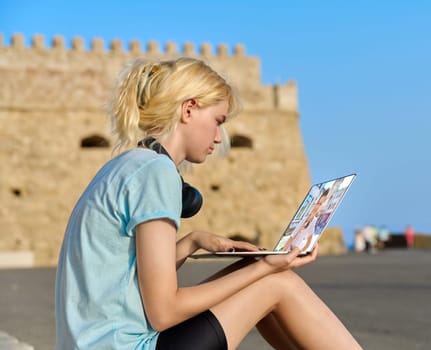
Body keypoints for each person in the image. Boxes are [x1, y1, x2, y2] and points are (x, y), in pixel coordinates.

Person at [55, 57, 362, 350]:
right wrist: (267, 266)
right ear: (188, 109)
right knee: (277, 282)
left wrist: (191, 243)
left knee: (256, 272)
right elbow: (163, 312)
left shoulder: (126, 165)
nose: (219, 137)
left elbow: (123, 281)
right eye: (218, 121)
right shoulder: (156, 172)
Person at [283, 188, 330, 253]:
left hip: (294, 252)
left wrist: (301, 252)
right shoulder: (303, 217)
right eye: (317, 203)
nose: (318, 206)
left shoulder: (313, 220)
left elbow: (309, 241)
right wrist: (284, 251)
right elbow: (291, 237)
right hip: (287, 250)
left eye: (320, 204)